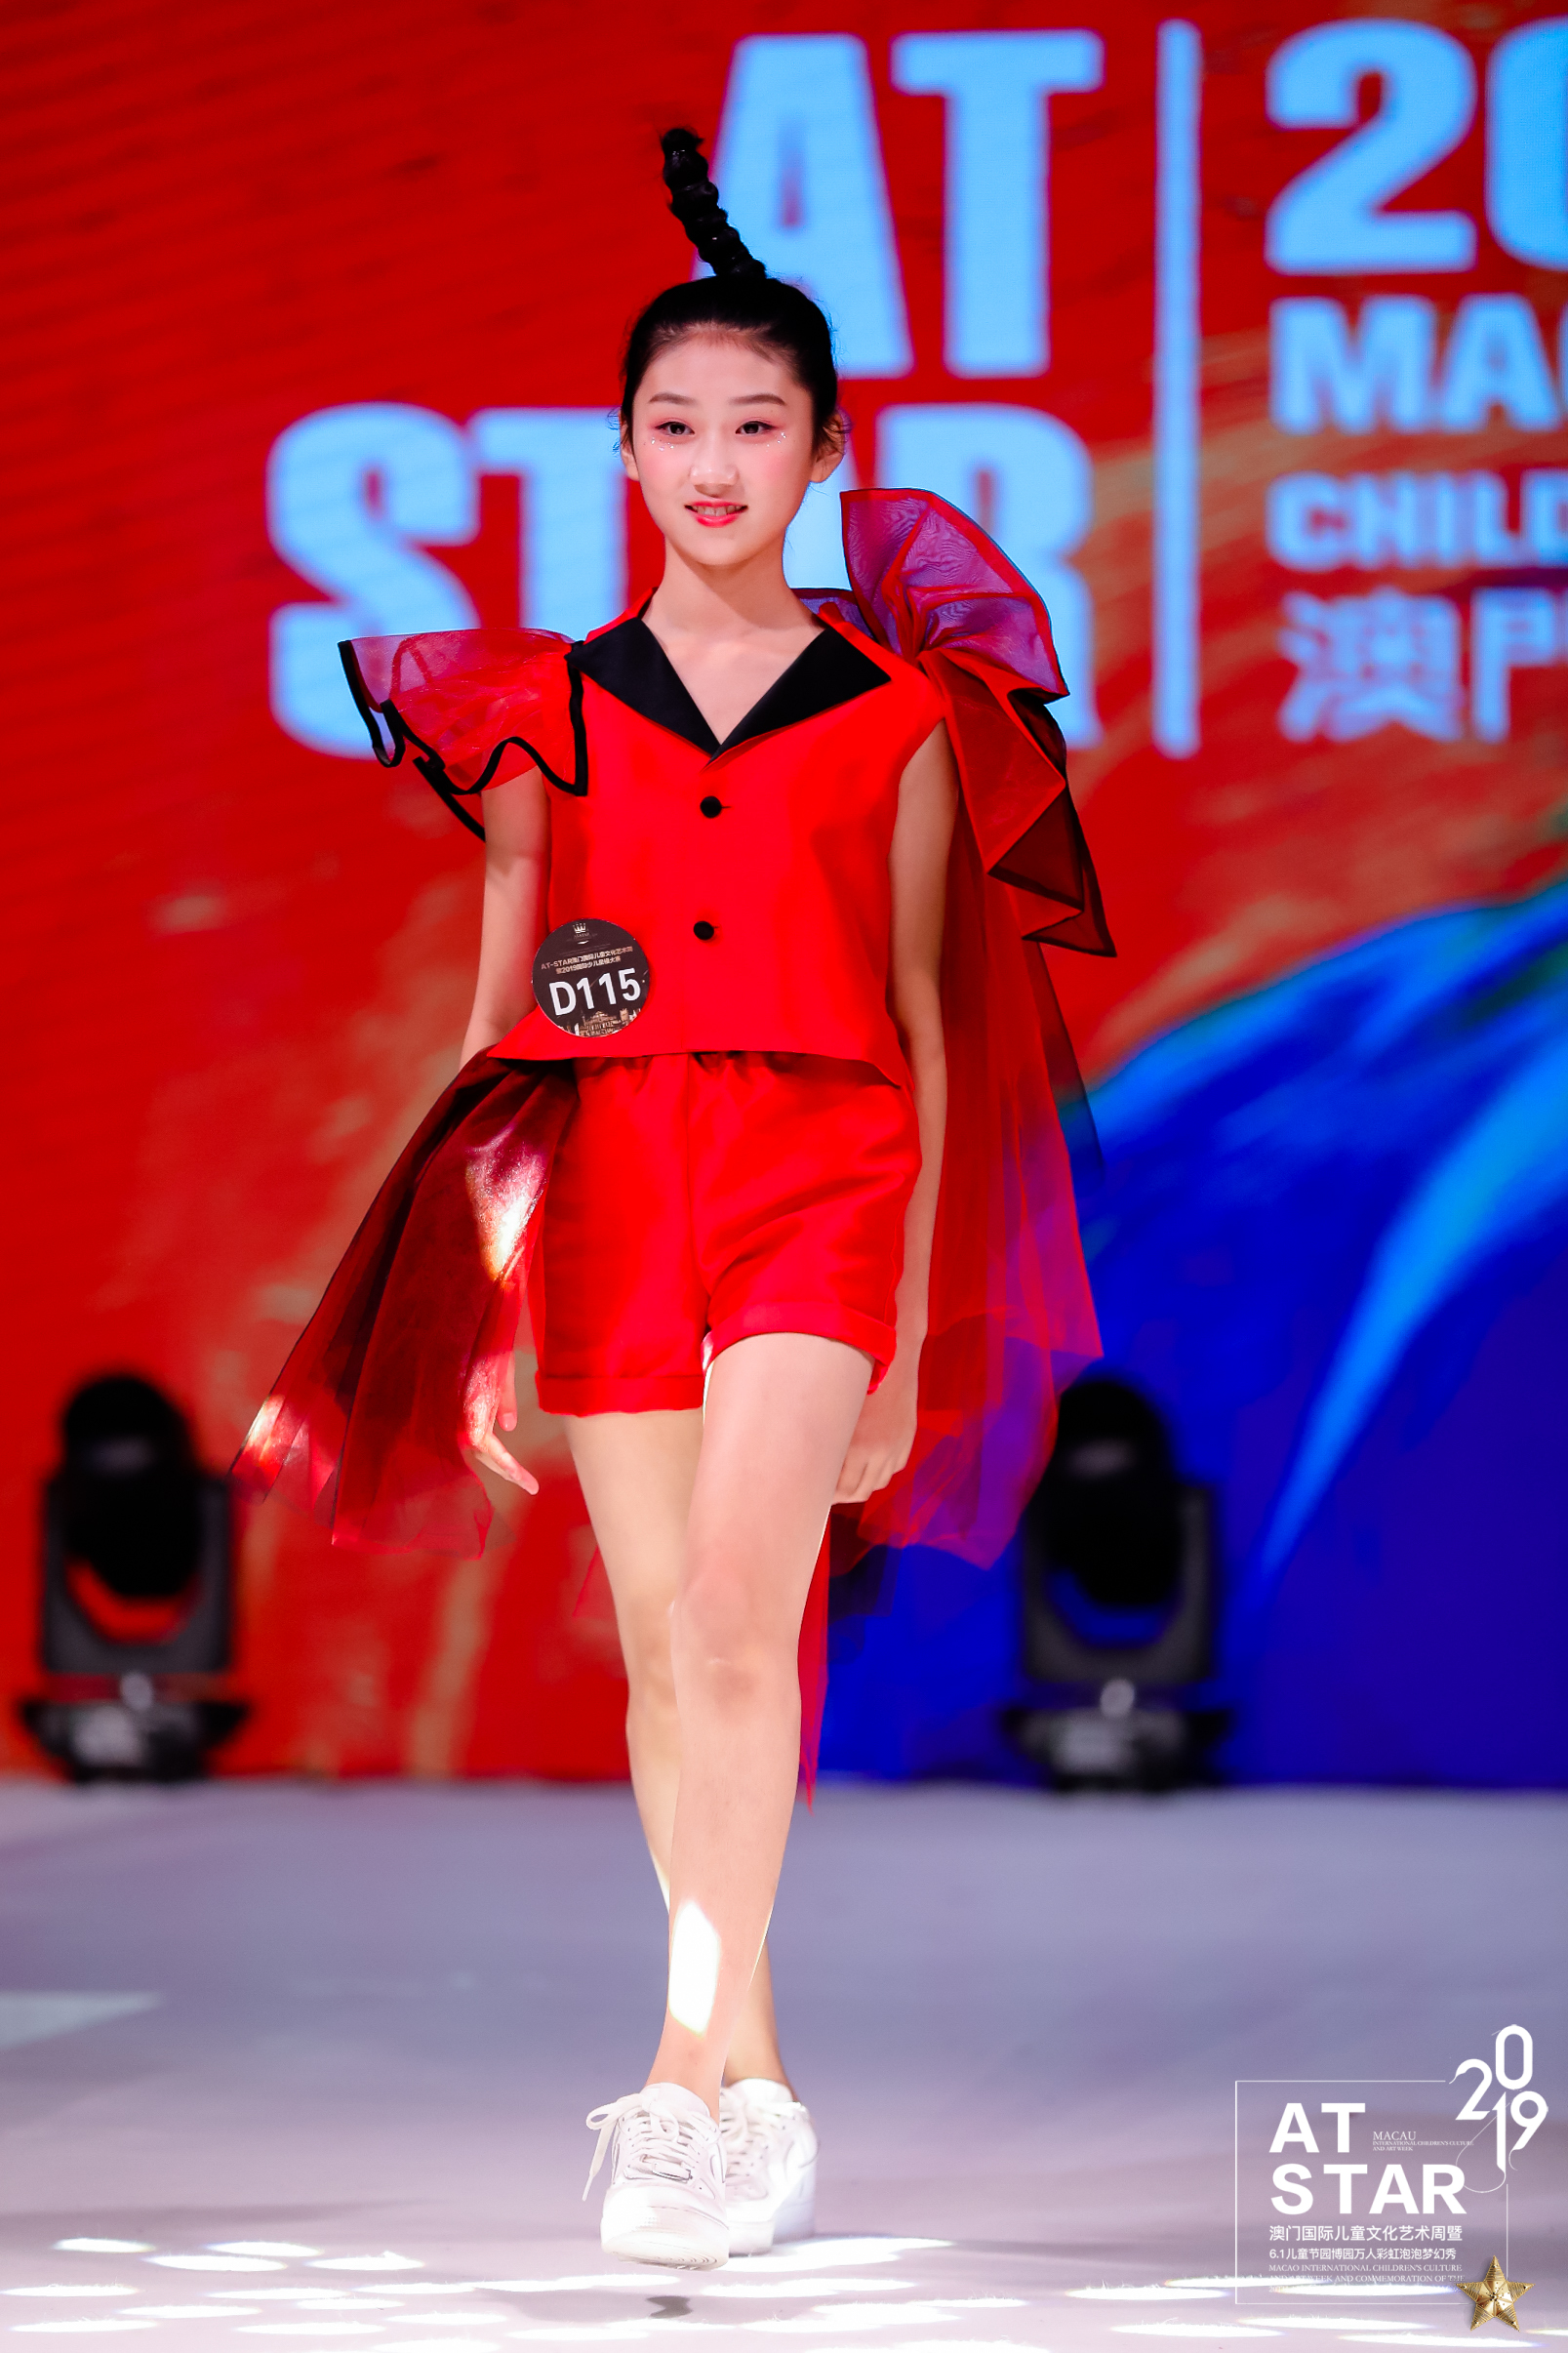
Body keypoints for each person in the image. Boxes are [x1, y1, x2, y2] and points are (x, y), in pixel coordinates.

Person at [237, 130, 1108, 2272]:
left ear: (824, 451)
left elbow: (928, 1016)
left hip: (827, 1174)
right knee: (662, 1649)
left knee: (734, 1614)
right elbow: (502, 1024)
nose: (715, 462)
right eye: (676, 424)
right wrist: (456, 1314)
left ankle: (672, 2067)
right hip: (617, 1179)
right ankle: (759, 2088)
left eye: (757, 424)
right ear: (623, 451)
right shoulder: (540, 708)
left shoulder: (902, 715)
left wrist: (907, 1332)